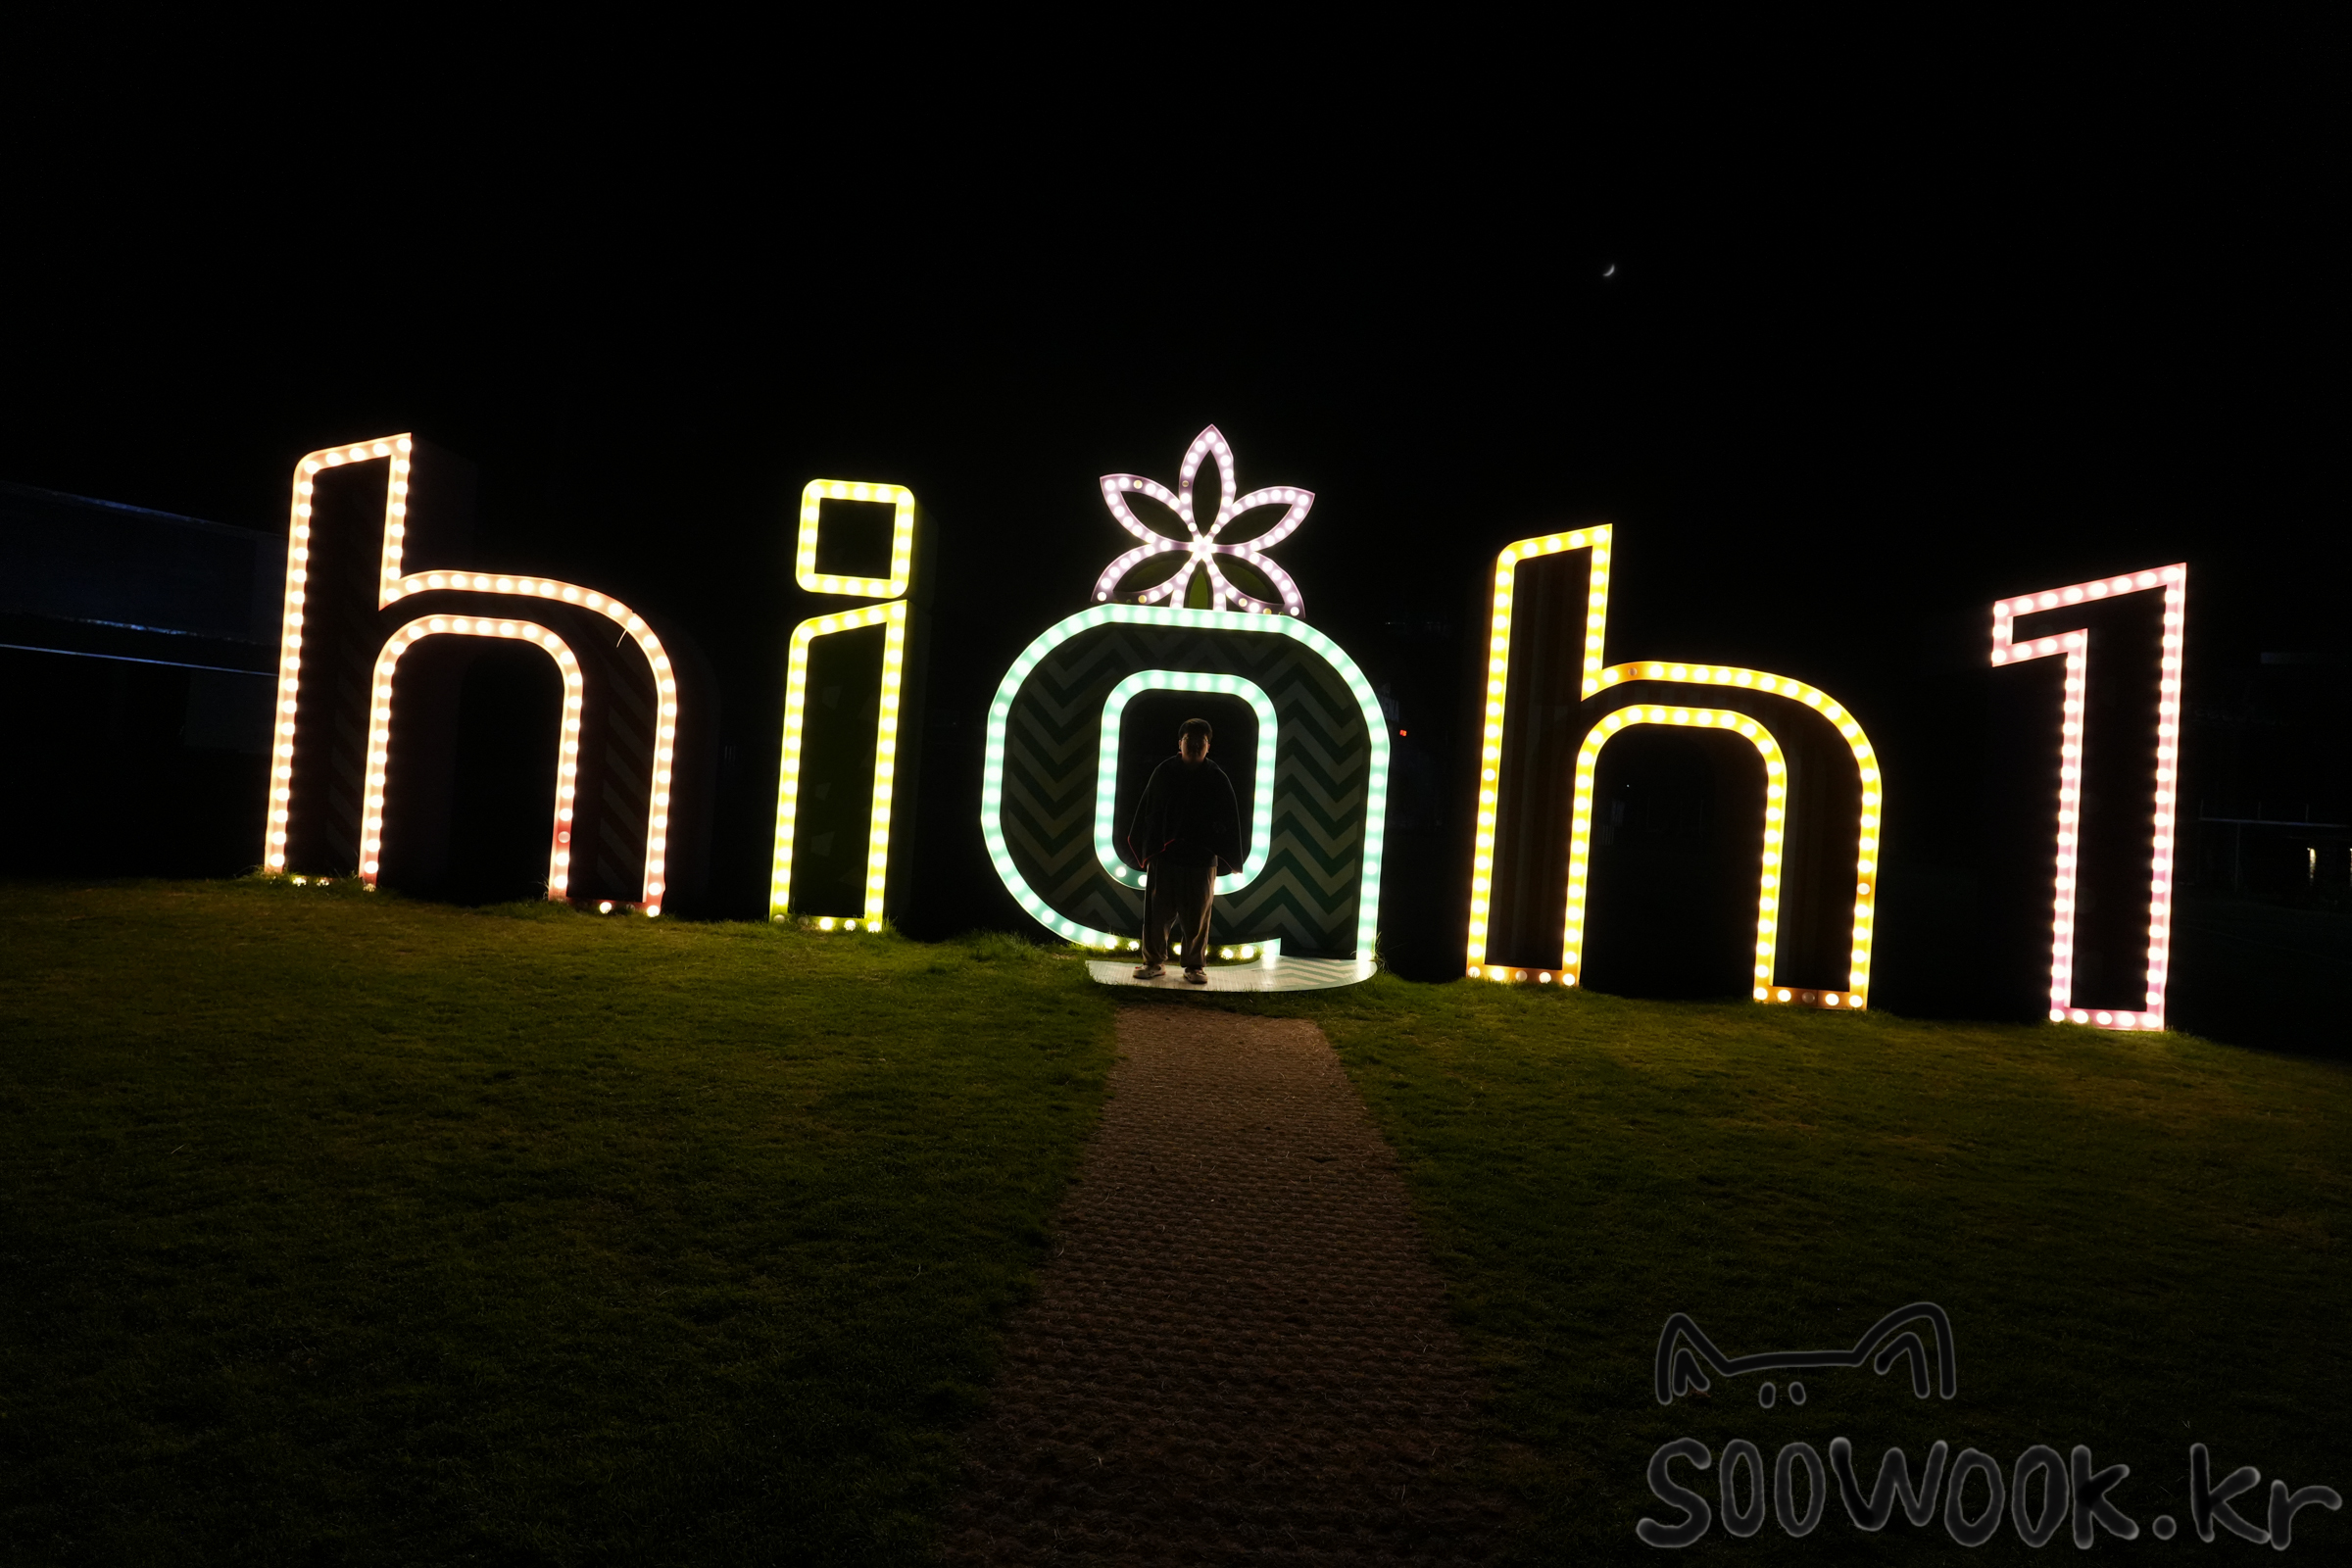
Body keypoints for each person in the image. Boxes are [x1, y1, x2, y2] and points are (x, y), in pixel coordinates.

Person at [1127, 717, 1241, 983]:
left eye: (1202, 741)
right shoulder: (1164, 772)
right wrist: (1151, 848)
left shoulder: (1217, 777)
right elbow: (1149, 811)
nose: (1196, 745)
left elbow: (1228, 818)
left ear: (1209, 746)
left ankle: (1194, 965)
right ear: (1180, 743)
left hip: (1201, 859)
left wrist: (1227, 852)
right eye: (1190, 740)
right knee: (1157, 914)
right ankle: (1153, 962)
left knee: (1198, 917)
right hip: (1165, 856)